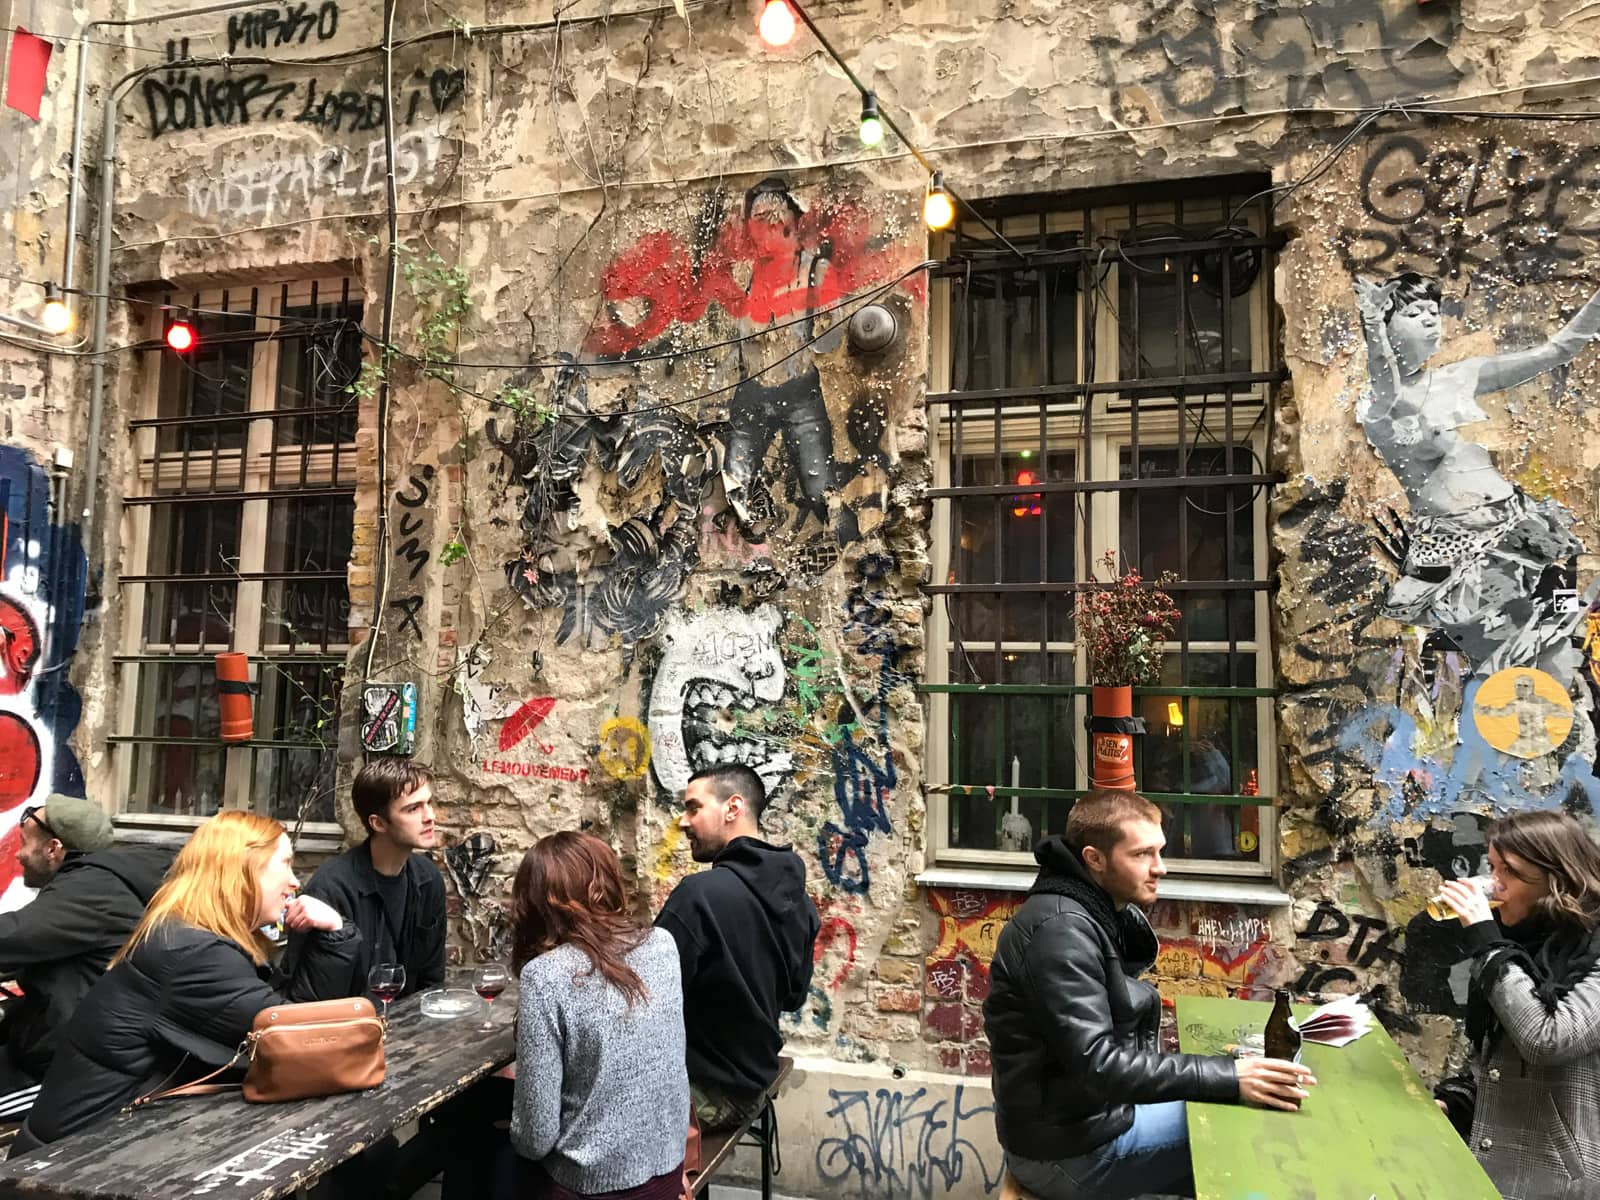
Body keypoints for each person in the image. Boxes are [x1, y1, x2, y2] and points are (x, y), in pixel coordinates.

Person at [984, 789, 1315, 1200]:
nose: (1160, 868)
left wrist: (1227, 1074)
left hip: (1085, 1122)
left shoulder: (1087, 910)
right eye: (1141, 854)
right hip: (1069, 1154)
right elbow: (1100, 1065)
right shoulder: (1061, 932)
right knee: (1253, 1131)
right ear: (1094, 859)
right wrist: (1229, 1077)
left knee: (1240, 1102)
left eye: (1160, 851)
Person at [12, 811, 359, 1154]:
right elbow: (299, 1043)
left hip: (105, 1147)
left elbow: (291, 1024)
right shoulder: (193, 953)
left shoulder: (190, 936)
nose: (295, 881)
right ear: (242, 871)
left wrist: (331, 937)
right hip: (69, 1165)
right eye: (284, 864)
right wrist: (336, 934)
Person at [1353, 273, 1600, 678]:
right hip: (1463, 549)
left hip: (1525, 530)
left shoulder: (1460, 376)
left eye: (1434, 311)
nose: (1431, 320)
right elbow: (1385, 384)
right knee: (1500, 664)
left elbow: (1556, 350)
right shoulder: (1379, 406)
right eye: (1414, 313)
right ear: (1387, 324)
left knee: (1559, 641)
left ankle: (1569, 726)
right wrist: (1372, 327)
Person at [488, 831, 688, 1200]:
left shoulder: (546, 976)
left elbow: (535, 1138)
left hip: (588, 1187)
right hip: (666, 1175)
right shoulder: (663, 943)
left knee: (478, 1147)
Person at [1433, 809, 1600, 1199]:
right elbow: (1495, 1063)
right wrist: (1455, 1102)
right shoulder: (1521, 945)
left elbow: (1547, 1040)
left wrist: (1488, 943)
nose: (1493, 885)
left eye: (1508, 872)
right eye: (1491, 867)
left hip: (1561, 1183)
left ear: (1555, 880)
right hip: (1495, 1174)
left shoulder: (1586, 952)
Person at [656, 762, 819, 1131]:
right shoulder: (800, 901)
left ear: (733, 808)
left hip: (707, 1096)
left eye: (694, 807)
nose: (683, 821)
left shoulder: (698, 897)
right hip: (753, 1086)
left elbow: (645, 997)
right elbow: (793, 998)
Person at [0, 797, 174, 1116]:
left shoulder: (92, 891)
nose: (18, 854)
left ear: (53, 848)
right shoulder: (94, 882)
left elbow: (12, 936)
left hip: (71, 1070)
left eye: (24, 844)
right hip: (56, 1044)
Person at [287, 759, 445, 1004]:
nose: (430, 816)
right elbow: (308, 994)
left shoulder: (428, 879)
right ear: (378, 823)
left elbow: (431, 979)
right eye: (413, 808)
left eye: (429, 803)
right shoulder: (331, 888)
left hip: (410, 1028)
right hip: (346, 1027)